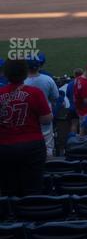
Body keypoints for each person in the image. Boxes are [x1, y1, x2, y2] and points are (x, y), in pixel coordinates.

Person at [0, 59, 52, 196]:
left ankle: (10, 216)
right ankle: (30, 215)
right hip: (32, 145)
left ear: (6, 74)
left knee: (7, 189)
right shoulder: (35, 93)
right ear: (25, 74)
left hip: (4, 146)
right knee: (33, 188)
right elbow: (46, 119)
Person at [25, 59, 58, 157]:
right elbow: (55, 97)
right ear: (39, 67)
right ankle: (49, 170)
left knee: (29, 142)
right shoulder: (47, 79)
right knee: (47, 145)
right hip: (45, 114)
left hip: (28, 116)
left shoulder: (22, 81)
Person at [65, 69, 82, 134]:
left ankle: (73, 141)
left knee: (74, 125)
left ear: (75, 75)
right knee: (82, 126)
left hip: (72, 108)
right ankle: (81, 141)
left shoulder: (70, 84)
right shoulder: (83, 83)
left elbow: (67, 94)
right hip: (81, 109)